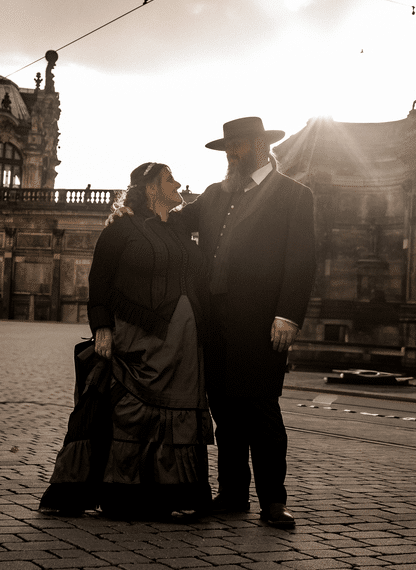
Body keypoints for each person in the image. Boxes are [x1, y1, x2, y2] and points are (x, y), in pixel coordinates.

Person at [39, 162, 213, 519]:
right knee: (129, 411)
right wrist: (102, 327)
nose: (178, 183)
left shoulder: (179, 225)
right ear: (151, 188)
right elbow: (99, 280)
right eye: (169, 179)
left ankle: (169, 495)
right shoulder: (122, 228)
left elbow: (218, 204)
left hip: (184, 344)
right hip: (141, 333)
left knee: (176, 411)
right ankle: (124, 492)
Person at [179, 116, 316, 528]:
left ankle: (274, 501)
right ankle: (233, 494)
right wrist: (132, 212)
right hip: (215, 321)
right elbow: (174, 222)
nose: (231, 155)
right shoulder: (214, 194)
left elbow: (302, 260)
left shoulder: (294, 195)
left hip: (262, 322)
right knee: (225, 412)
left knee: (261, 410)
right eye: (227, 149)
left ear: (259, 145)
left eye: (236, 147)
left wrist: (288, 314)